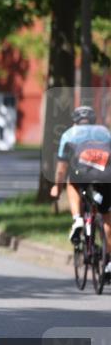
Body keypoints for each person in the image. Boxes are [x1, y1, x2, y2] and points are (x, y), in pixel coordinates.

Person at [50, 106, 111, 256]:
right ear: (93, 120)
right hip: (104, 177)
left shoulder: (69, 134)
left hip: (81, 175)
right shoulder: (105, 132)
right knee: (107, 217)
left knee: (71, 182)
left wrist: (57, 188)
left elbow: (61, 169)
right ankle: (109, 261)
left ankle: (77, 218)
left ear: (75, 121)